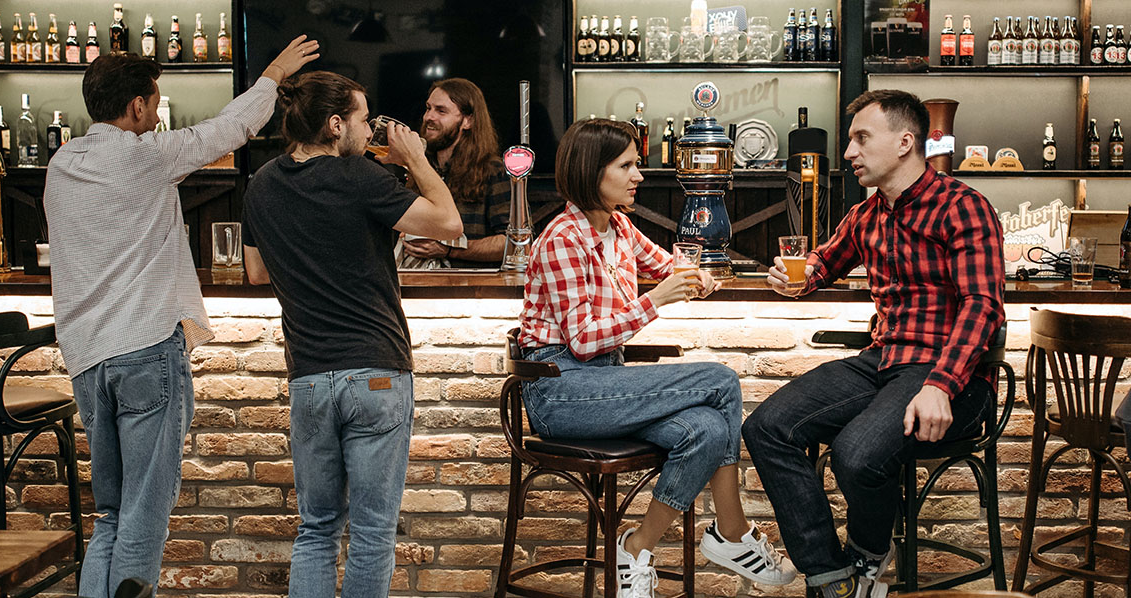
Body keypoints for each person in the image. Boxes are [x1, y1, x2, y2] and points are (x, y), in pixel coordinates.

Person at [42, 38, 317, 598]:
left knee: (112, 515)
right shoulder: (148, 156)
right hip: (145, 350)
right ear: (139, 107)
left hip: (88, 361)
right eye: (156, 101)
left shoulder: (61, 163)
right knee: (144, 516)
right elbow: (230, 128)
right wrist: (273, 72)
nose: (158, 111)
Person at [743, 90, 1006, 598]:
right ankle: (832, 576)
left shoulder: (963, 206)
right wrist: (797, 277)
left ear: (906, 141)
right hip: (884, 362)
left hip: (954, 378)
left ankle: (867, 556)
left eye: (862, 138)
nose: (848, 153)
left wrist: (941, 386)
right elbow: (824, 262)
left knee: (857, 454)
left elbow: (983, 306)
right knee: (767, 427)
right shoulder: (869, 214)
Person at [518, 119, 797, 598]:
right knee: (721, 379)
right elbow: (583, 341)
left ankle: (637, 546)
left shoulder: (618, 227)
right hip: (560, 390)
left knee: (707, 430)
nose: (639, 176)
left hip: (606, 383)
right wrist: (659, 299)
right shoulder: (562, 238)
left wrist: (697, 276)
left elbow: (672, 264)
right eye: (626, 165)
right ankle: (732, 532)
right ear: (592, 171)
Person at [240, 71, 461, 598]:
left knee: (316, 529)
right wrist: (416, 159)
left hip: (309, 380)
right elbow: (449, 224)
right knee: (370, 532)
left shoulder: (262, 184)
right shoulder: (359, 175)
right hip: (377, 374)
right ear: (335, 125)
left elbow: (254, 272)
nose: (369, 132)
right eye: (363, 120)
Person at [399, 77, 510, 268]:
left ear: (468, 121)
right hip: (417, 287)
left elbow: (511, 243)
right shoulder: (421, 166)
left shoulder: (493, 170)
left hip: (470, 289)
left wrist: (449, 250)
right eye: (428, 108)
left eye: (441, 111)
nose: (428, 117)